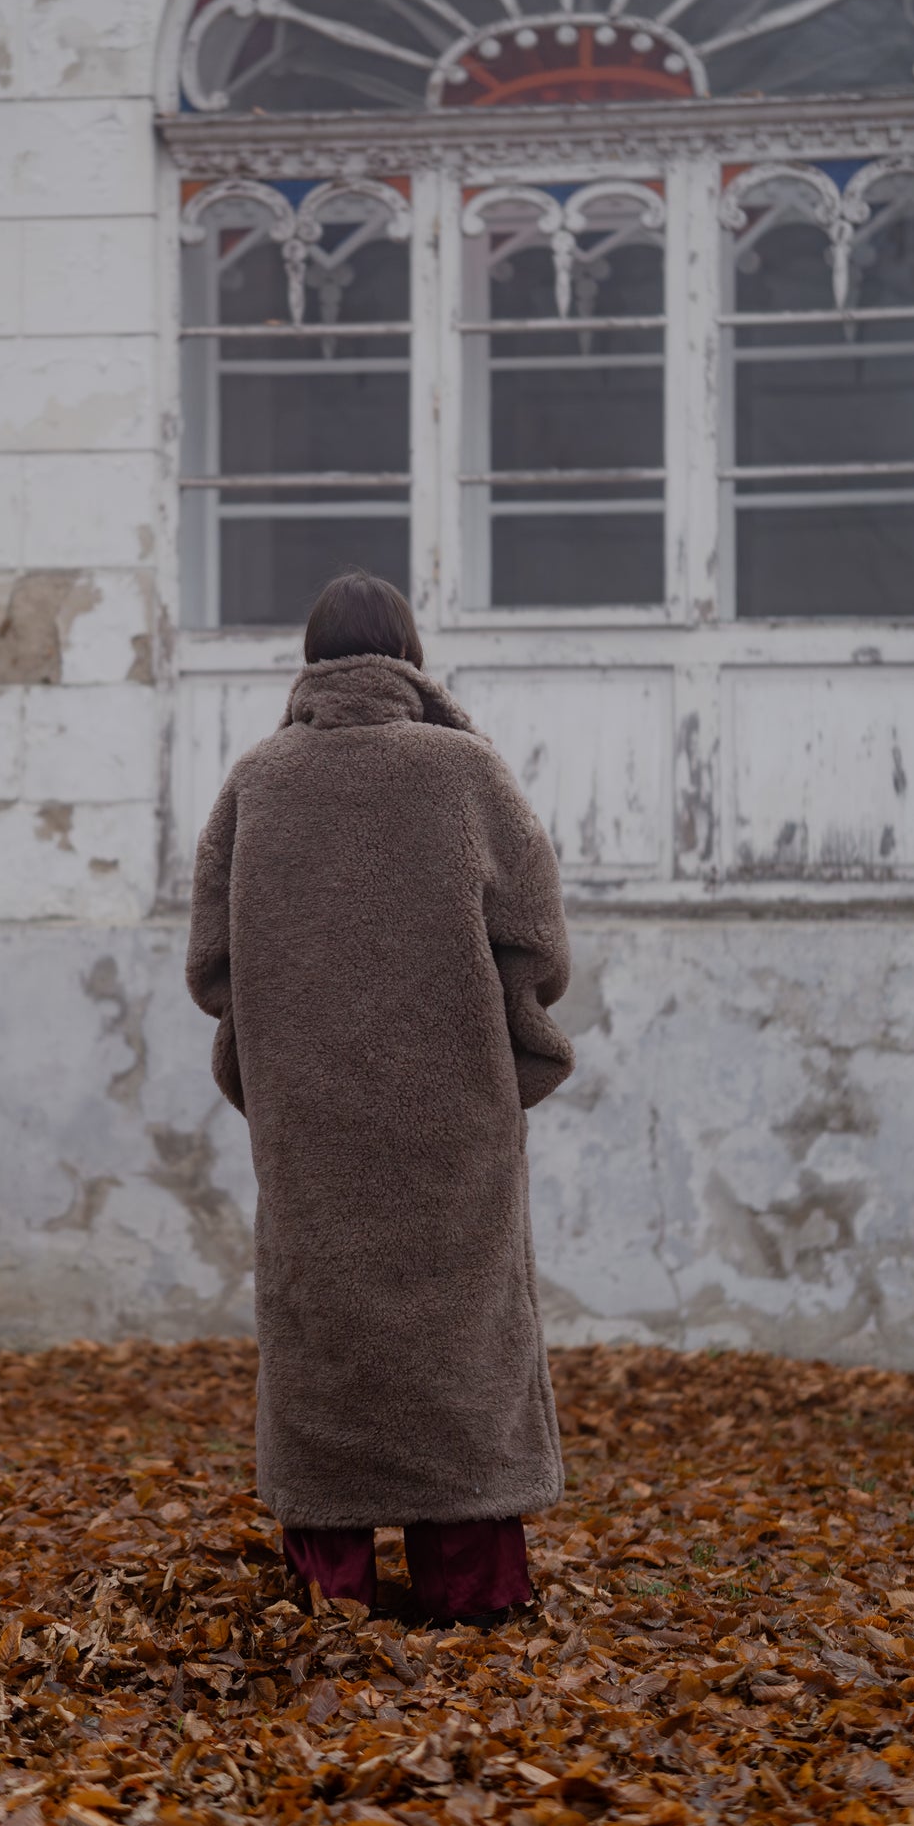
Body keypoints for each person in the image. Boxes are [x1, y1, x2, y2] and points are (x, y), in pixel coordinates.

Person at [186, 568, 575, 1626]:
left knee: (326, 1339)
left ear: (311, 661)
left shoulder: (258, 781)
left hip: (307, 1122)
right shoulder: (463, 771)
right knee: (461, 1335)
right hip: (456, 1115)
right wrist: (507, 1062)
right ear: (408, 655)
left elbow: (214, 964)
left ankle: (334, 1590)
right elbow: (534, 942)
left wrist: (271, 1072)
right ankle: (473, 1585)